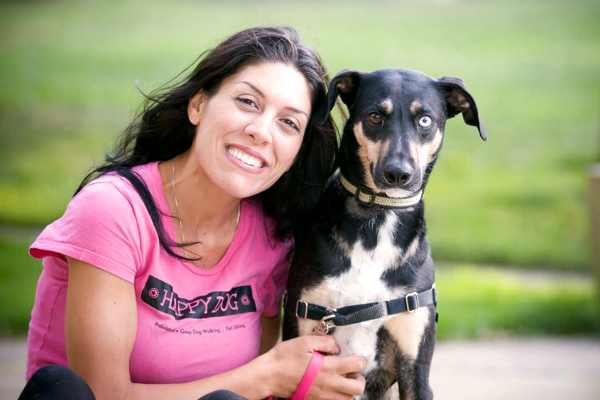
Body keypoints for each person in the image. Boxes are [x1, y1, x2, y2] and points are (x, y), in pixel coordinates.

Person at [19, 26, 366, 400]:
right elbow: (104, 393)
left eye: (289, 123)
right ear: (198, 105)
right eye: (248, 102)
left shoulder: (273, 237)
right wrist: (267, 376)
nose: (261, 132)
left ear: (297, 151)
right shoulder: (113, 210)